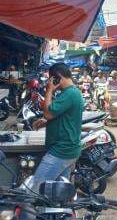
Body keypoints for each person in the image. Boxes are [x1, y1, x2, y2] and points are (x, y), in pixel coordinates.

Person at [30, 63, 83, 193]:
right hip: (66, 149)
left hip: (61, 151)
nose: (50, 82)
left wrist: (49, 90)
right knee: (58, 192)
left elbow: (48, 113)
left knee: (35, 188)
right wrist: (45, 122)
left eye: (51, 79)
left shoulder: (70, 93)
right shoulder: (70, 93)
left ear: (57, 78)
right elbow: (63, 117)